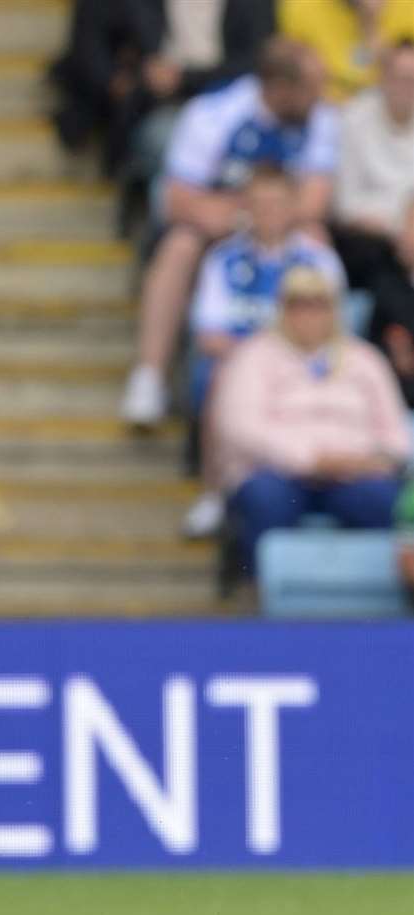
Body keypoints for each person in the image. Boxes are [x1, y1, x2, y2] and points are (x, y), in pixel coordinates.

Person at [123, 37, 337, 427]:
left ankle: (326, 366)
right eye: (312, 86)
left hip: (277, 224)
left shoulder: (319, 118)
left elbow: (315, 201)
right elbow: (176, 199)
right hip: (220, 228)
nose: (321, 95)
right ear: (280, 88)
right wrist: (252, 214)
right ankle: (149, 375)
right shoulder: (215, 113)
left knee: (315, 237)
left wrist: (265, 213)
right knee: (179, 244)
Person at [210, 265, 410, 575]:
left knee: (382, 499)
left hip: (353, 472)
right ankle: (259, 590)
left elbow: (394, 433)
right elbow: (240, 426)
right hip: (277, 471)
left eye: (318, 305)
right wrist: (311, 458)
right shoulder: (253, 356)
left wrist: (368, 460)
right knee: (265, 498)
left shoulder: (365, 359)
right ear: (282, 309)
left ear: (334, 309)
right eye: (298, 304)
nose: (308, 315)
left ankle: (370, 592)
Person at [185, 164, 346, 536]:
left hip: (307, 362)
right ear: (246, 207)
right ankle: (214, 493)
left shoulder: (319, 259)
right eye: (260, 203)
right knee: (218, 378)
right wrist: (265, 356)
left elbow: (337, 330)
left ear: (293, 207)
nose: (269, 212)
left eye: (278, 203)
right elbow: (209, 334)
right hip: (243, 366)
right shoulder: (222, 260)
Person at [49, 0, 275, 182]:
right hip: (164, 105)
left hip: (236, 104)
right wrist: (116, 79)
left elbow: (259, 59)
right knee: (171, 149)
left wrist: (184, 77)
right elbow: (92, 33)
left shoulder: (253, 5)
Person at [332, 40, 414, 401]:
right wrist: (402, 227)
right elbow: (346, 204)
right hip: (370, 249)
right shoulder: (355, 118)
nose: (408, 88)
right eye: (401, 78)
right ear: (382, 78)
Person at [278, 0, 414, 100]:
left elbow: (402, 78)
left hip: (389, 110)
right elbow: (293, 76)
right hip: (324, 109)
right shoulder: (298, 6)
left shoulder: (407, 6)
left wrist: (371, 24)